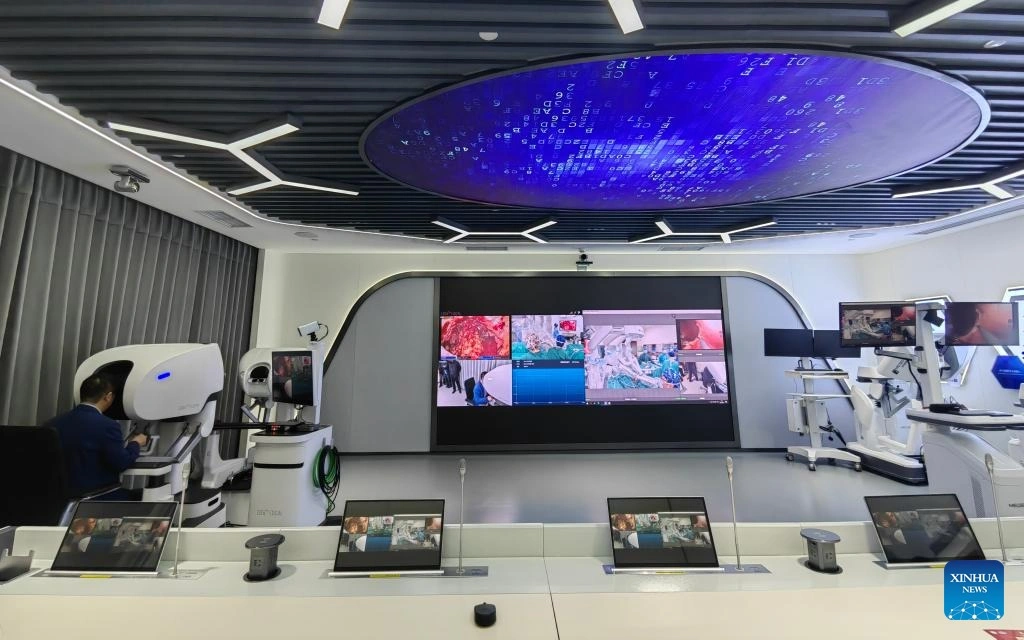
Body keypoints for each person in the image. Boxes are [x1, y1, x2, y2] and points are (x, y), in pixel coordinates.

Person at [47, 376, 148, 499]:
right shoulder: (108, 425)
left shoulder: (52, 423)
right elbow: (122, 463)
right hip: (97, 496)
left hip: (58, 498)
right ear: (108, 396)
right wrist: (136, 443)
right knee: (146, 496)